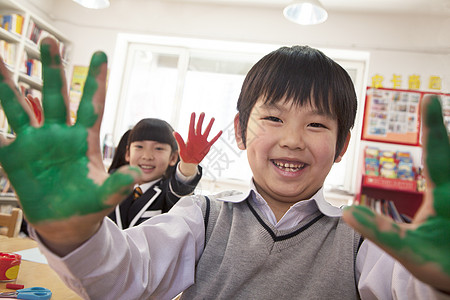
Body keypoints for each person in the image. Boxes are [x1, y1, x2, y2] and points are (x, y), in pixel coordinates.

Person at [0, 37, 448, 299]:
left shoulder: (359, 239)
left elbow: (406, 288)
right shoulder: (202, 216)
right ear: (239, 131)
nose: (292, 138)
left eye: (316, 124)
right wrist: (73, 235)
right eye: (273, 118)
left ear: (342, 145)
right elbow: (126, 276)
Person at [108, 115, 221, 229]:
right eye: (139, 146)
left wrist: (188, 164)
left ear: (172, 158)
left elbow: (180, 190)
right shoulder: (110, 183)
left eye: (158, 148)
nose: (147, 156)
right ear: (127, 153)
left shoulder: (169, 193)